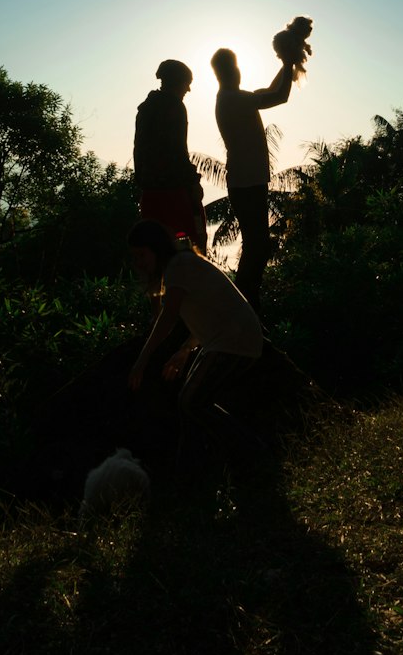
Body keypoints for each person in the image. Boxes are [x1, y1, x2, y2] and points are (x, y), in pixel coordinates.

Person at [126, 219, 263, 466]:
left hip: (234, 341)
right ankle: (200, 467)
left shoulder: (178, 265)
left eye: (142, 255)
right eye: (134, 257)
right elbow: (211, 312)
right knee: (191, 404)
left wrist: (141, 361)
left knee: (191, 402)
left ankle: (253, 454)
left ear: (156, 249)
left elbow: (168, 317)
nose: (139, 262)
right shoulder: (181, 265)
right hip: (230, 340)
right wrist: (185, 350)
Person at [209, 47, 294, 311]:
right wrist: (289, 62)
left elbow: (270, 90)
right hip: (247, 183)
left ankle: (246, 302)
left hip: (246, 182)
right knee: (258, 246)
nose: (238, 71)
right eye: (235, 66)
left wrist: (287, 62)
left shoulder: (233, 98)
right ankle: (245, 303)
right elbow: (280, 96)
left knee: (256, 245)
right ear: (228, 71)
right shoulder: (234, 99)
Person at [133, 59, 207, 252]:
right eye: (187, 83)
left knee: (157, 251)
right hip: (174, 193)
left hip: (150, 192)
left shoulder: (146, 109)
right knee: (189, 246)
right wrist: (193, 182)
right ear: (177, 82)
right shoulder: (174, 107)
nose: (188, 89)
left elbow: (139, 150)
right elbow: (177, 150)